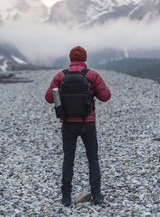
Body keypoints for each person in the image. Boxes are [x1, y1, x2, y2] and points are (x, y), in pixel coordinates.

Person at [45, 46, 111, 207]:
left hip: (68, 123)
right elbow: (106, 96)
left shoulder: (61, 75)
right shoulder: (92, 75)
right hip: (88, 122)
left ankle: (66, 198)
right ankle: (96, 196)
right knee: (93, 159)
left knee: (68, 159)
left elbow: (48, 98)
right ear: (85, 58)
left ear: (70, 58)